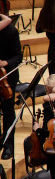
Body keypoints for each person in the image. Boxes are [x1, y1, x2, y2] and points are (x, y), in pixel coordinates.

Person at [0, 14, 22, 160]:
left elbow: (18, 57)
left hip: (7, 77)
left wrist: (6, 63)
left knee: (8, 112)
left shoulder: (11, 31)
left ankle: (9, 146)